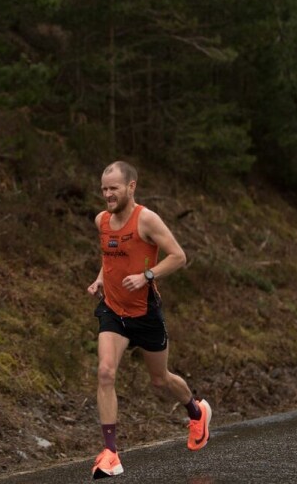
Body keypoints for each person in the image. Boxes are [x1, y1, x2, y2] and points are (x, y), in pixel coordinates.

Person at [86, 161, 210, 479]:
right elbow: (109, 256)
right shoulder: (102, 220)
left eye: (114, 188)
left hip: (145, 312)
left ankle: (197, 412)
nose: (108, 194)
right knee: (104, 372)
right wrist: (101, 279)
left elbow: (178, 256)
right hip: (113, 310)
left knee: (160, 379)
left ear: (131, 186)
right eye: (104, 189)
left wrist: (146, 275)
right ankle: (111, 453)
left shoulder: (147, 219)